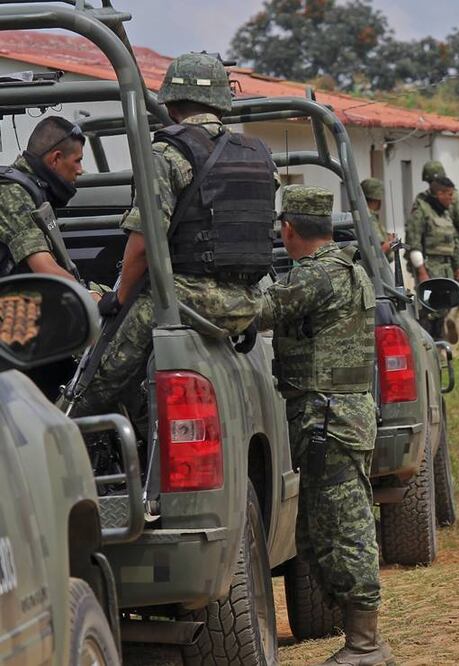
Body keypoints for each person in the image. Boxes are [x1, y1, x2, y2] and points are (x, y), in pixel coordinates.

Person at [70, 52, 277, 418]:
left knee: (96, 379)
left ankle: (71, 438)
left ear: (172, 101)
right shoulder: (259, 156)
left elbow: (144, 242)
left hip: (186, 301)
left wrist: (117, 300)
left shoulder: (166, 153)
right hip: (248, 305)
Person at [256, 185, 392, 665]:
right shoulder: (347, 266)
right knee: (323, 529)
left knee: (344, 528)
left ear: (288, 229)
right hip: (337, 416)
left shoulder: (316, 277)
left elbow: (259, 312)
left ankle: (367, 644)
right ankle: (360, 638)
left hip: (328, 419)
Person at [0, 115, 86, 281]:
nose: (80, 170)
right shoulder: (12, 193)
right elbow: (45, 268)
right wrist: (88, 296)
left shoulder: (33, 190)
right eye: (77, 161)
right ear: (56, 159)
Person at [406, 175, 459, 341]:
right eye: (449, 195)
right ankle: (430, 346)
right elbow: (414, 243)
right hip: (430, 269)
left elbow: (454, 241)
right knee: (430, 312)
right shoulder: (421, 210)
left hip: (446, 269)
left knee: (443, 310)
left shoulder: (445, 213)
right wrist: (422, 272)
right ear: (440, 193)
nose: (452, 199)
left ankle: (441, 347)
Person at [360, 177, 396, 257]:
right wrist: (392, 242)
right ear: (376, 199)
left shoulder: (364, 215)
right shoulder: (368, 218)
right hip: (376, 268)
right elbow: (380, 250)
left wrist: (387, 237)